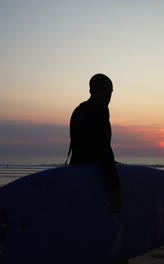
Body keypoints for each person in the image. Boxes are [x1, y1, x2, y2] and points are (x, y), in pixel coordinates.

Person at [66, 73, 121, 214]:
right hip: (94, 172)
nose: (109, 96)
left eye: (111, 92)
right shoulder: (100, 109)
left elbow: (78, 146)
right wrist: (115, 187)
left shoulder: (78, 110)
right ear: (95, 91)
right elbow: (103, 147)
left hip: (77, 168)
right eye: (108, 91)